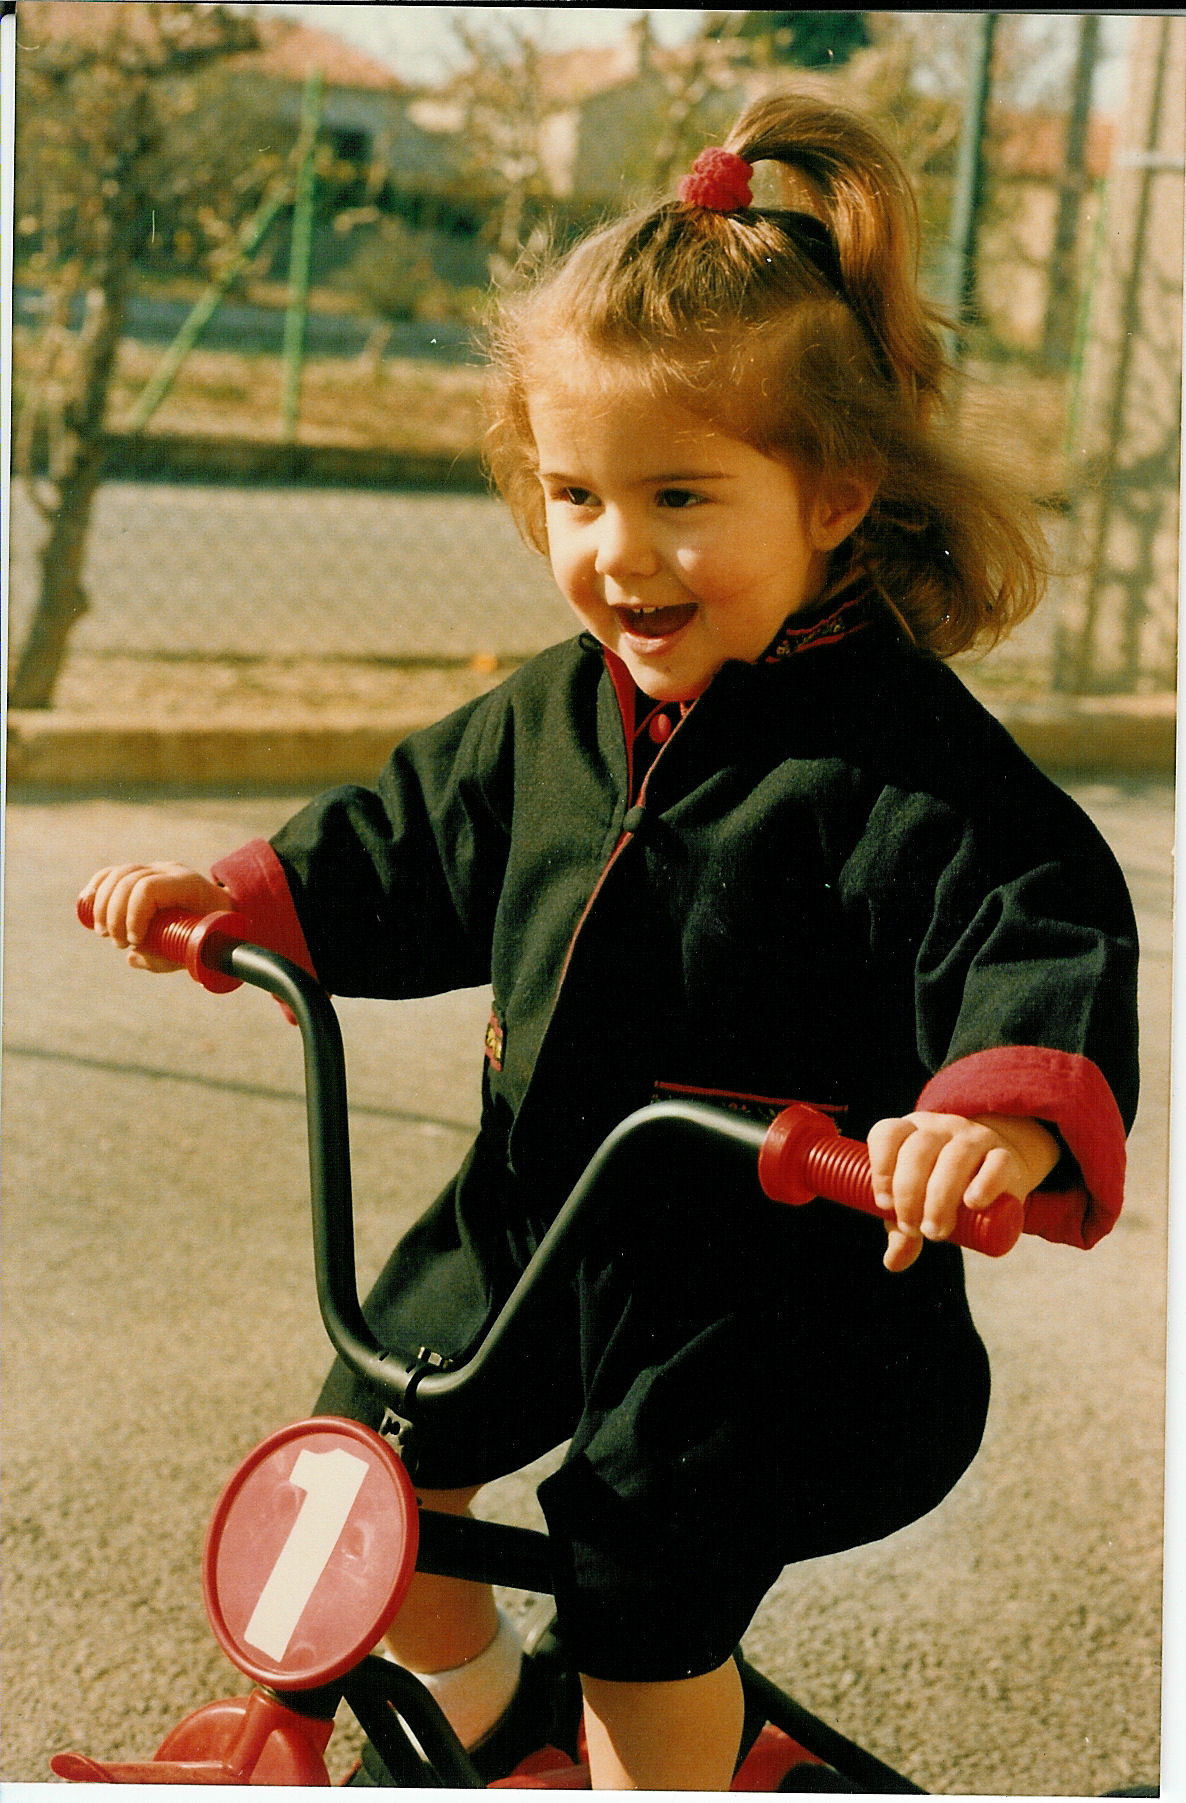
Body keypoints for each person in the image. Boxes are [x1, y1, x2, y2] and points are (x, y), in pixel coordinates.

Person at [80, 93, 1139, 1792]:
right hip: (536, 1220)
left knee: (641, 1578)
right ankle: (497, 1727)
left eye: (678, 497)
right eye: (574, 493)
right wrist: (237, 906)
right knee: (366, 1462)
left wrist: (988, 1126)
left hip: (778, 1300)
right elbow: (403, 836)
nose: (617, 552)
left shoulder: (900, 766)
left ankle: (658, 1769)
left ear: (835, 494)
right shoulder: (553, 717)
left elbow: (1034, 924)